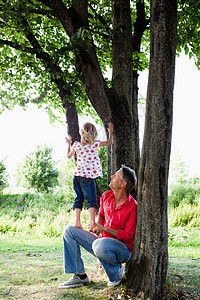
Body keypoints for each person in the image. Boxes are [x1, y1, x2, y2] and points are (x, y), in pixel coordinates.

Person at [58, 165, 137, 289]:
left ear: (123, 184)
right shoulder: (106, 196)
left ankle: (115, 274)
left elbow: (128, 236)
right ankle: (80, 276)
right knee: (69, 231)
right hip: (100, 244)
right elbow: (101, 215)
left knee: (99, 245)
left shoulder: (132, 206)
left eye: (116, 175)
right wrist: (96, 225)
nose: (112, 176)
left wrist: (104, 229)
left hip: (122, 249)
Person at [65, 122, 114, 230]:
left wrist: (68, 143)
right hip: (88, 177)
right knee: (91, 200)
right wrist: (110, 131)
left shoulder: (76, 145)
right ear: (93, 133)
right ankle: (92, 223)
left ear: (82, 133)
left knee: (78, 198)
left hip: (77, 176)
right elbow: (110, 142)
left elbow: (68, 156)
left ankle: (77, 222)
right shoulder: (95, 144)